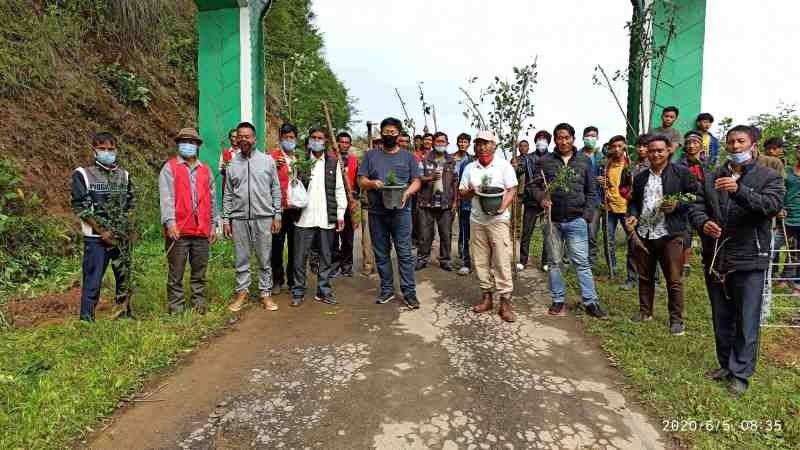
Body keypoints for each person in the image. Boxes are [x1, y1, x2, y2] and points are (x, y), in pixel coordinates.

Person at [688, 125, 784, 396]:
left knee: (746, 319)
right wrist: (703, 222)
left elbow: (771, 206)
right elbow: (696, 205)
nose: (735, 146)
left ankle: (740, 374)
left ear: (753, 144)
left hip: (750, 257)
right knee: (721, 315)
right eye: (730, 142)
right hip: (717, 256)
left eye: (741, 141)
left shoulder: (769, 176)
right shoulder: (713, 176)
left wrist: (739, 190)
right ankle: (725, 365)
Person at [532, 123, 607, 319]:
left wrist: (586, 216)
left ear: (573, 138)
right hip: (552, 220)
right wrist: (542, 198)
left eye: (567, 137)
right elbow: (536, 187)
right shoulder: (546, 161)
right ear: (555, 140)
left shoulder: (584, 161)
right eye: (559, 137)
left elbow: (591, 192)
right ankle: (558, 300)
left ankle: (590, 302)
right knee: (555, 262)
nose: (563, 141)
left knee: (581, 262)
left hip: (576, 220)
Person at [626, 135, 698, 336]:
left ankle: (676, 320)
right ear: (646, 153)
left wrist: (678, 205)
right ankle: (645, 311)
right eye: (651, 151)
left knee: (673, 279)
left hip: (670, 233)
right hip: (644, 233)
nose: (655, 154)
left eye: (660, 150)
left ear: (669, 151)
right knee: (645, 276)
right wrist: (632, 215)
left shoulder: (681, 173)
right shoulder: (640, 177)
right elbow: (633, 201)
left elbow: (696, 196)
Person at [71, 131, 135, 321]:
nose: (107, 152)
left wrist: (129, 229)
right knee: (93, 278)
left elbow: (131, 204)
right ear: (94, 150)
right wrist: (102, 231)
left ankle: (124, 313)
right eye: (102, 149)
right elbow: (81, 206)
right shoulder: (83, 174)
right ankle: (87, 318)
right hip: (96, 238)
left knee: (124, 277)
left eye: (111, 149)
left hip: (121, 237)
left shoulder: (123, 175)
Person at [358, 117, 422, 308]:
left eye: (393, 132)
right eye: (386, 132)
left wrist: (407, 192)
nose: (389, 135)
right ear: (381, 133)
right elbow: (361, 180)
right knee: (381, 252)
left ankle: (409, 292)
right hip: (377, 212)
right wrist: (371, 183)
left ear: (399, 134)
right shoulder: (371, 156)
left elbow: (417, 181)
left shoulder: (408, 157)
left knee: (404, 252)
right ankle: (386, 290)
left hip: (401, 212)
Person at [223, 122, 282, 312]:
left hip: (263, 217)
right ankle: (242, 293)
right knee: (242, 258)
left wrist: (277, 214)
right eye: (240, 136)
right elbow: (228, 194)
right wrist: (226, 219)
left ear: (254, 139)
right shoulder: (232, 164)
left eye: (247, 136)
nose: (243, 139)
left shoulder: (267, 161)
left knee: (264, 258)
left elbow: (275, 189)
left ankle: (266, 294)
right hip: (239, 218)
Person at [459, 130, 518, 322]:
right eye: (479, 143)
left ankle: (506, 302)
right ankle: (487, 297)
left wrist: (502, 207)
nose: (482, 147)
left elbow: (512, 189)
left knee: (501, 260)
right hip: (477, 220)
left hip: (498, 221)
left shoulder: (503, 166)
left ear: (494, 145)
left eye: (486, 143)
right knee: (480, 260)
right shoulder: (470, 168)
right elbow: (462, 193)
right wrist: (471, 190)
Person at [159, 128, 219, 315]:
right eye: (184, 141)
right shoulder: (170, 168)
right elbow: (166, 198)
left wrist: (214, 225)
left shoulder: (206, 170)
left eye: (192, 142)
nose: (188, 145)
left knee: (199, 270)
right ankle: (176, 307)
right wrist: (170, 223)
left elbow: (212, 199)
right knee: (176, 271)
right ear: (178, 144)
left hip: (201, 230)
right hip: (179, 230)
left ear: (198, 146)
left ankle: (198, 303)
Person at [290, 128, 347, 306]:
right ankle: (298, 291)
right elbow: (292, 189)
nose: (316, 141)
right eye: (313, 138)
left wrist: (340, 214)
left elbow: (339, 189)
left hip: (325, 218)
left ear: (326, 141)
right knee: (300, 258)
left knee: (326, 256)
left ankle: (323, 291)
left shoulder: (333, 163)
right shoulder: (301, 162)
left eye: (319, 138)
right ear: (308, 141)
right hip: (303, 218)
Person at [416, 131, 458, 271]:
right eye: (438, 141)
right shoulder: (425, 159)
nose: (440, 144)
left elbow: (455, 183)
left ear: (447, 144)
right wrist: (430, 178)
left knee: (446, 234)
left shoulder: (452, 161)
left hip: (445, 204)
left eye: (443, 142)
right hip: (426, 203)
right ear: (433, 143)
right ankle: (422, 258)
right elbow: (419, 178)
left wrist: (455, 202)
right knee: (425, 234)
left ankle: (445, 260)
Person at [598, 135, 635, 286]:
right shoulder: (607, 164)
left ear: (625, 146)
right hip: (610, 208)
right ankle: (612, 270)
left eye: (620, 146)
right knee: (609, 241)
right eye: (614, 147)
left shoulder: (630, 165)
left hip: (626, 208)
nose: (617, 149)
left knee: (633, 242)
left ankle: (634, 274)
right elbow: (607, 183)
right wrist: (603, 183)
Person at [270, 123, 301, 295]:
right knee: (277, 246)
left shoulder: (300, 158)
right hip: (278, 209)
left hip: (296, 209)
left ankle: (292, 279)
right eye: (285, 137)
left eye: (292, 137)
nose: (289, 140)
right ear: (280, 138)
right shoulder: (272, 157)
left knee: (295, 246)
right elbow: (263, 178)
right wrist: (272, 166)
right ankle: (277, 279)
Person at [517, 131, 551, 270]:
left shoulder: (552, 157)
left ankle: (545, 262)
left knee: (547, 233)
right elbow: (520, 171)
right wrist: (515, 167)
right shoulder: (528, 158)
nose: (541, 141)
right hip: (531, 201)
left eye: (544, 139)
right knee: (526, 232)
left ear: (548, 141)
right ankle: (523, 261)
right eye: (539, 139)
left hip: (547, 201)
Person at [676, 131, 706, 276]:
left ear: (701, 145)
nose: (691, 146)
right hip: (686, 201)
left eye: (695, 143)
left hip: (705, 203)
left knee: (706, 231)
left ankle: (709, 260)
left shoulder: (709, 163)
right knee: (686, 233)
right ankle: (684, 264)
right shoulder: (679, 164)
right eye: (688, 143)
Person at [331, 131, 360, 278]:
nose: (344, 145)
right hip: (334, 202)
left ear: (350, 145)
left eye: (346, 142)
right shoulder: (330, 158)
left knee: (348, 237)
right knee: (334, 236)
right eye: (341, 142)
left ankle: (347, 265)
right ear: (336, 143)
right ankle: (334, 265)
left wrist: (355, 199)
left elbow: (357, 181)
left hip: (350, 202)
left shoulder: (354, 160)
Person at [777, 144, 800, 294]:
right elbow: (779, 190)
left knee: (798, 251)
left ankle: (795, 282)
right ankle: (773, 278)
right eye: (799, 148)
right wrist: (778, 207)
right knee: (773, 245)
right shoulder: (787, 171)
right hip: (785, 216)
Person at [580, 126, 603, 268]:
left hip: (596, 200)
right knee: (577, 231)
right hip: (579, 200)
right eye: (588, 135)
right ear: (583, 138)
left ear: (597, 138)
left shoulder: (601, 157)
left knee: (592, 233)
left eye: (593, 136)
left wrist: (604, 180)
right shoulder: (577, 156)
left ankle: (591, 261)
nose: (590, 138)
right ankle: (575, 259)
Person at [453, 133, 473, 275]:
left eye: (465, 142)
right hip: (464, 201)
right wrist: (457, 200)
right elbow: (458, 184)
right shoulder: (464, 164)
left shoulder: (471, 159)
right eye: (460, 141)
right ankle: (465, 259)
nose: (462, 144)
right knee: (464, 230)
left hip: (480, 206)